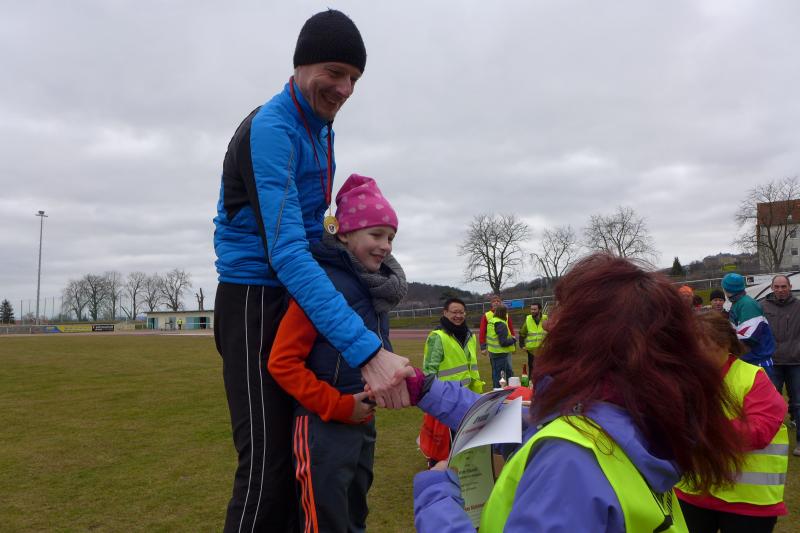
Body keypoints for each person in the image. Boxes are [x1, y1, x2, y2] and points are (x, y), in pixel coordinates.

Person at [212, 10, 409, 532]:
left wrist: (361, 263)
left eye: (355, 78)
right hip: (254, 299)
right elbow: (287, 251)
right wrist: (367, 352)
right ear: (300, 66)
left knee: (302, 468)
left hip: (292, 292)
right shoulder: (273, 128)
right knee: (266, 468)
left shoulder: (320, 128)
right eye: (335, 72)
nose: (345, 89)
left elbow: (311, 231)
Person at [408, 254, 745, 532]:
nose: (550, 323)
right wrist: (421, 387)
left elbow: (553, 441)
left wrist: (437, 499)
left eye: (563, 311)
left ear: (591, 335)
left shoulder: (569, 462)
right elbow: (513, 419)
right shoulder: (633, 414)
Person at [268, 174, 407, 532]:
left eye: (391, 237)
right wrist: (340, 406)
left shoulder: (373, 291)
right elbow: (282, 363)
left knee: (354, 519)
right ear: (343, 234)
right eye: (376, 234)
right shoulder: (321, 287)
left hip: (363, 425)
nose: (386, 246)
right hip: (322, 428)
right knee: (324, 524)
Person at [676, 312, 787, 533]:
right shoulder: (684, 379)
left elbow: (760, 431)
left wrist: (700, 430)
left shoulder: (753, 377)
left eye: (704, 348)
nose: (696, 357)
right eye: (690, 349)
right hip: (693, 492)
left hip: (747, 501)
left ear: (726, 345)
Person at [761, 274, 800, 455]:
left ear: (790, 287)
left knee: (798, 402)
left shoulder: (798, 306)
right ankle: (771, 440)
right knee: (771, 403)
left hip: (795, 361)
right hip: (772, 362)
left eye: (783, 286)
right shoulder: (762, 307)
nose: (780, 290)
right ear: (772, 288)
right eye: (777, 287)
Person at [722, 273, 777, 382]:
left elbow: (749, 337)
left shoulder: (747, 305)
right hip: (751, 360)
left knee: (763, 393)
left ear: (726, 289)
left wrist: (724, 342)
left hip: (758, 362)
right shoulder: (738, 303)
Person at [485, 304, 516, 388]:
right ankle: (498, 391)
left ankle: (503, 389)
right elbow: (503, 342)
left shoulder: (492, 321)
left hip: (493, 352)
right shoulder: (501, 324)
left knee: (500, 374)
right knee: (500, 377)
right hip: (500, 354)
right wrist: (513, 339)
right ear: (504, 313)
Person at [518, 302, 547, 373]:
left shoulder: (546, 318)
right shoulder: (528, 319)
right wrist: (522, 345)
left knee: (544, 369)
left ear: (540, 310)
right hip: (531, 351)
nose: (532, 311)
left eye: (534, 309)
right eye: (531, 309)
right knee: (532, 370)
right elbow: (522, 333)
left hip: (544, 350)